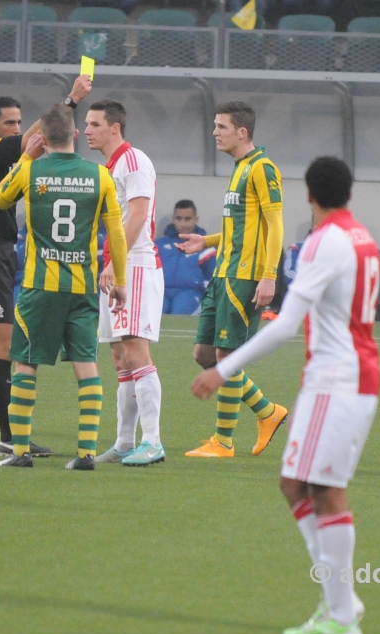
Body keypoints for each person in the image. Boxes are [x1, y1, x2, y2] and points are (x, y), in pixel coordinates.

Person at [191, 156, 380, 634]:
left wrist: (222, 368)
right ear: (349, 193)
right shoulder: (361, 236)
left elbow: (288, 325)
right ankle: (341, 600)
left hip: (337, 380)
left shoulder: (325, 243)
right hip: (343, 378)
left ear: (309, 195)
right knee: (295, 484)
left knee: (325, 489)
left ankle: (340, 611)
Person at [0, 75, 92, 455]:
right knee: (5, 345)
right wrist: (72, 100)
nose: (16, 128)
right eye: (9, 122)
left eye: (18, 121)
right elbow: (39, 133)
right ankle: (12, 438)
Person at [0, 104, 128, 470]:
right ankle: (85, 454)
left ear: (42, 138)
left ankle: (21, 452)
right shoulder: (100, 176)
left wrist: (24, 159)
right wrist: (119, 280)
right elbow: (115, 231)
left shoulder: (32, 170)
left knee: (25, 364)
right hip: (82, 287)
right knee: (86, 365)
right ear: (73, 135)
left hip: (40, 288)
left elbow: (0, 199)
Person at [177, 101, 288, 458]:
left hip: (245, 277)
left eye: (221, 127)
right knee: (204, 353)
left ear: (242, 132)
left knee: (226, 356)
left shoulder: (262, 168)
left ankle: (223, 441)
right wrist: (205, 242)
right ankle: (268, 412)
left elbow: (275, 227)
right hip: (224, 273)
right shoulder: (240, 169)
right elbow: (241, 229)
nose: (214, 132)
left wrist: (269, 276)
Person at [84, 99, 166, 467]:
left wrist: (115, 266)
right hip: (118, 265)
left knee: (136, 351)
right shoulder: (111, 166)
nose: (87, 130)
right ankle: (123, 443)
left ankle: (153, 442)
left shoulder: (133, 161)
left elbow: (138, 215)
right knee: (120, 357)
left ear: (114, 127)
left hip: (134, 266)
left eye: (95, 124)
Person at [155, 199, 215, 315]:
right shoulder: (158, 246)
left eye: (188, 219)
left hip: (190, 293)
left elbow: (213, 281)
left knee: (180, 312)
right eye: (179, 219)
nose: (183, 224)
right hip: (160, 293)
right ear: (173, 219)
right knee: (156, 315)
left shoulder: (206, 248)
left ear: (196, 219)